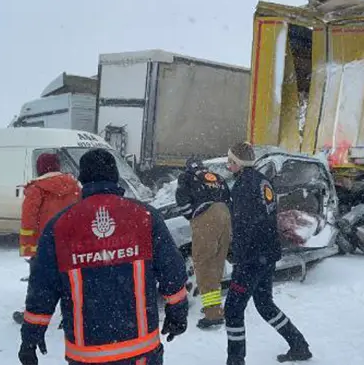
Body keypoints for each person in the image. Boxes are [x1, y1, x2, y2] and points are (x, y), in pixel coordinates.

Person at [19, 148, 188, 365]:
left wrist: (31, 337)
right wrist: (177, 312)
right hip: (141, 351)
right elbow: (171, 270)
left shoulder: (59, 226)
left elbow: (42, 287)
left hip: (87, 353)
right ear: (115, 177)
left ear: (82, 180)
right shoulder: (144, 217)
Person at [223, 142, 312, 365]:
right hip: (267, 254)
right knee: (264, 304)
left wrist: (237, 255)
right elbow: (267, 218)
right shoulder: (263, 181)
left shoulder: (243, 186)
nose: (227, 165)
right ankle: (299, 345)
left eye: (230, 161)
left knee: (233, 310)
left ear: (237, 163)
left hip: (251, 258)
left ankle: (235, 361)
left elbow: (245, 226)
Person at [175, 156, 232, 329]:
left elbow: (182, 202)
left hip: (206, 218)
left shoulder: (187, 177)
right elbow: (229, 199)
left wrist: (194, 216)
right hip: (225, 216)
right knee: (216, 264)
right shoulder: (216, 177)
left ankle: (213, 315)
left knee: (203, 266)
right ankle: (214, 307)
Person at [19, 153, 81, 258]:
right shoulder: (74, 186)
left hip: (45, 242)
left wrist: (28, 247)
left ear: (39, 168)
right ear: (58, 166)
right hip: (69, 242)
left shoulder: (36, 189)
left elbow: (28, 220)